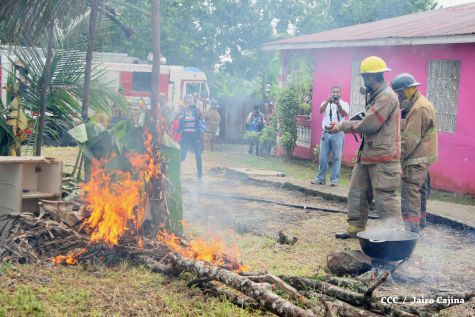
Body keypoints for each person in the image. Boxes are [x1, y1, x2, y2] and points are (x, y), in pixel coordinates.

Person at [328, 56, 404, 239]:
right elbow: (367, 119)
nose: (364, 82)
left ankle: (395, 236)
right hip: (368, 155)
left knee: (385, 197)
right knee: (357, 192)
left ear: (370, 77)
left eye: (364, 78)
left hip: (384, 158)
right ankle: (355, 227)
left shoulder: (386, 96)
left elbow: (370, 124)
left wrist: (342, 126)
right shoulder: (377, 95)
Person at [391, 73, 438, 233]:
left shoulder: (419, 108)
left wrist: (395, 157)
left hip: (416, 159)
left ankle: (411, 230)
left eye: (399, 93)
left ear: (407, 90)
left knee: (410, 192)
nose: (398, 98)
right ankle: (421, 222)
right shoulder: (418, 103)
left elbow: (410, 139)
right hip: (422, 157)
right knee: (420, 191)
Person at [311, 85, 349, 186]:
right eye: (333, 92)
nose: (335, 94)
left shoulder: (344, 104)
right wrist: (328, 101)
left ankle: (334, 181)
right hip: (326, 133)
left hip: (338, 133)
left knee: (337, 157)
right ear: (330, 93)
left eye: (337, 92)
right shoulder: (325, 103)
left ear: (340, 93)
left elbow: (344, 114)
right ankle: (320, 179)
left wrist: (338, 105)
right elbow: (320, 110)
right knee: (323, 157)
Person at [178, 94, 205, 180]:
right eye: (188, 102)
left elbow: (202, 120)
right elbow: (175, 118)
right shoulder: (182, 111)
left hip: (194, 136)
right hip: (185, 136)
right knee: (183, 156)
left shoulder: (195, 111)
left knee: (198, 156)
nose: (190, 103)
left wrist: (199, 111)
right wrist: (183, 109)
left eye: (191, 102)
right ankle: (174, 170)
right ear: (185, 102)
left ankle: (200, 176)